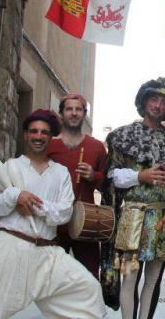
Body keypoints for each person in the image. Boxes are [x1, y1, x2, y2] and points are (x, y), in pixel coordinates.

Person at [0, 109, 105, 319]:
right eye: (33, 131)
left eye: (44, 132)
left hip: (48, 253)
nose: (38, 136)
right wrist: (14, 196)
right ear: (26, 135)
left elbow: (64, 213)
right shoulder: (11, 166)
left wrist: (35, 204)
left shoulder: (61, 172)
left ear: (50, 137)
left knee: (87, 289)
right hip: (10, 248)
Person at [102, 77, 165, 319]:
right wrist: (140, 176)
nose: (158, 105)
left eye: (164, 102)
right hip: (133, 217)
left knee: (153, 279)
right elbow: (112, 176)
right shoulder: (123, 136)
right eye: (154, 99)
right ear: (144, 102)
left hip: (164, 218)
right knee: (130, 278)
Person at [47, 93, 107, 279]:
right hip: (53, 223)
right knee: (52, 279)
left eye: (78, 109)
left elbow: (107, 183)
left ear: (84, 114)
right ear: (61, 113)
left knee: (89, 278)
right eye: (69, 109)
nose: (74, 113)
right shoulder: (49, 145)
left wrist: (93, 176)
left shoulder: (96, 146)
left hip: (85, 222)